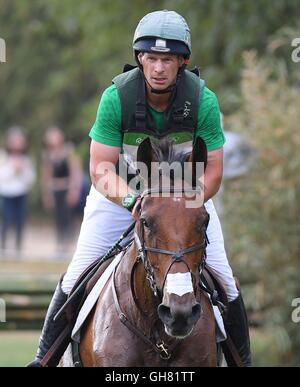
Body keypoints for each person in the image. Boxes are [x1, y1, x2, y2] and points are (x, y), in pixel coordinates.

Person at [28, 10, 251, 367]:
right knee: (76, 273)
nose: (158, 68)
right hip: (120, 200)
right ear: (140, 59)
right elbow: (100, 167)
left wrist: (187, 203)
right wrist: (132, 199)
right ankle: (44, 360)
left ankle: (244, 362)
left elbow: (214, 171)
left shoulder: (203, 101)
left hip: (183, 205)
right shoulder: (116, 98)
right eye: (151, 58)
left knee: (226, 280)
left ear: (182, 62)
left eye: (167, 59)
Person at [41, 127, 84, 255]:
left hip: (67, 189)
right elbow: (46, 175)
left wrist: (74, 190)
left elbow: (75, 172)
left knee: (68, 217)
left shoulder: (68, 152)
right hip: (56, 190)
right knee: (58, 218)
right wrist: (47, 194)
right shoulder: (48, 155)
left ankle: (68, 244)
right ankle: (59, 244)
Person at [0, 127, 36, 253]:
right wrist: (12, 170)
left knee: (20, 219)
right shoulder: (3, 157)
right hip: (7, 193)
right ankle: (3, 245)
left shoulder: (27, 159)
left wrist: (22, 171)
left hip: (21, 193)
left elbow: (31, 178)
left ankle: (18, 245)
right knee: (6, 219)